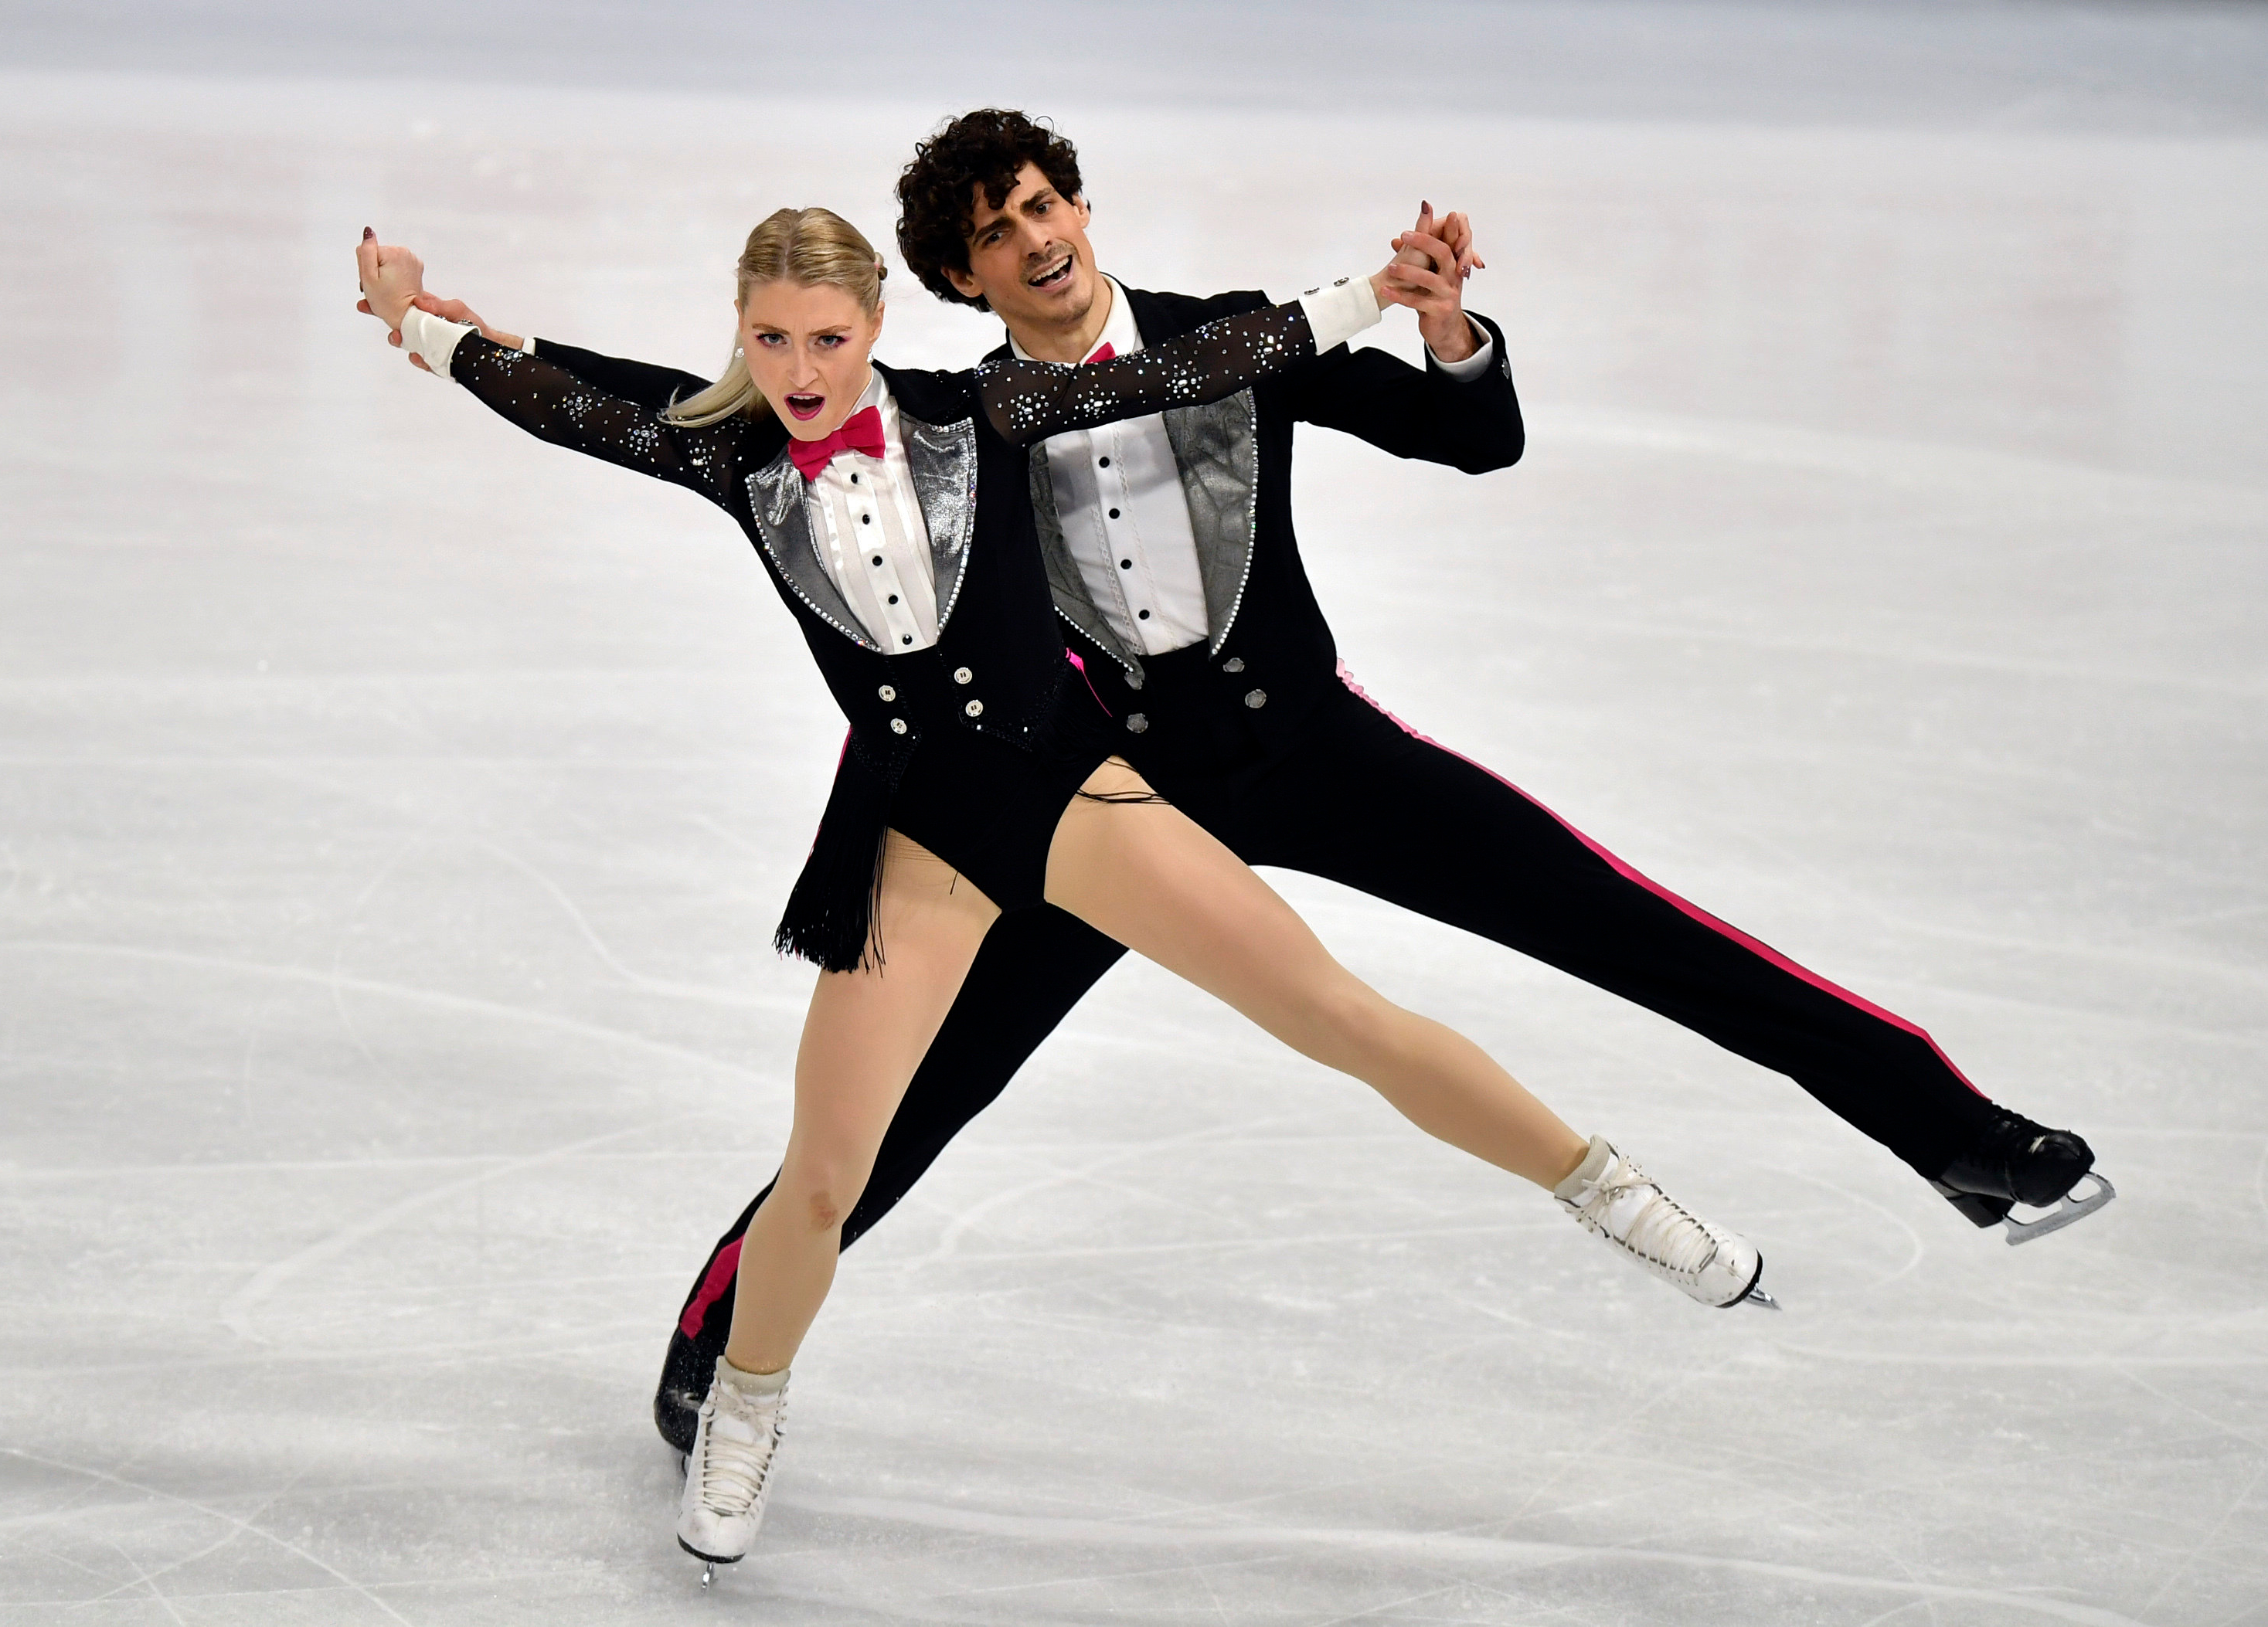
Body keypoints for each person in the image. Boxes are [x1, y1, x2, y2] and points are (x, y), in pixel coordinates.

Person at [426, 110, 2109, 1455]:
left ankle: (1957, 1136)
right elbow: (685, 412)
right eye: (999, 231)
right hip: (1100, 796)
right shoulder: (963, 413)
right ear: (958, 275)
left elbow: (1472, 437)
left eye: (1046, 204)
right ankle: (723, 1333)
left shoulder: (1225, 342)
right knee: (921, 1089)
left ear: (1081, 205)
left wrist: (1450, 332)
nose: (1037, 237)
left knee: (1622, 922)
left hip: (1311, 747)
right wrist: (471, 339)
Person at [356, 202, 1773, 1579]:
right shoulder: (727, 451)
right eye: (772, 338)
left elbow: (1197, 366)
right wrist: (418, 321)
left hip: (1076, 799)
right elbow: (560, 402)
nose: (800, 370)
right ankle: (747, 1400)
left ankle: (1612, 1194)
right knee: (828, 1171)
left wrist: (1373, 297)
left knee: (1337, 1014)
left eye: (827, 338)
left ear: (875, 325)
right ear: (741, 329)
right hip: (923, 840)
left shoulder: (980, 413)